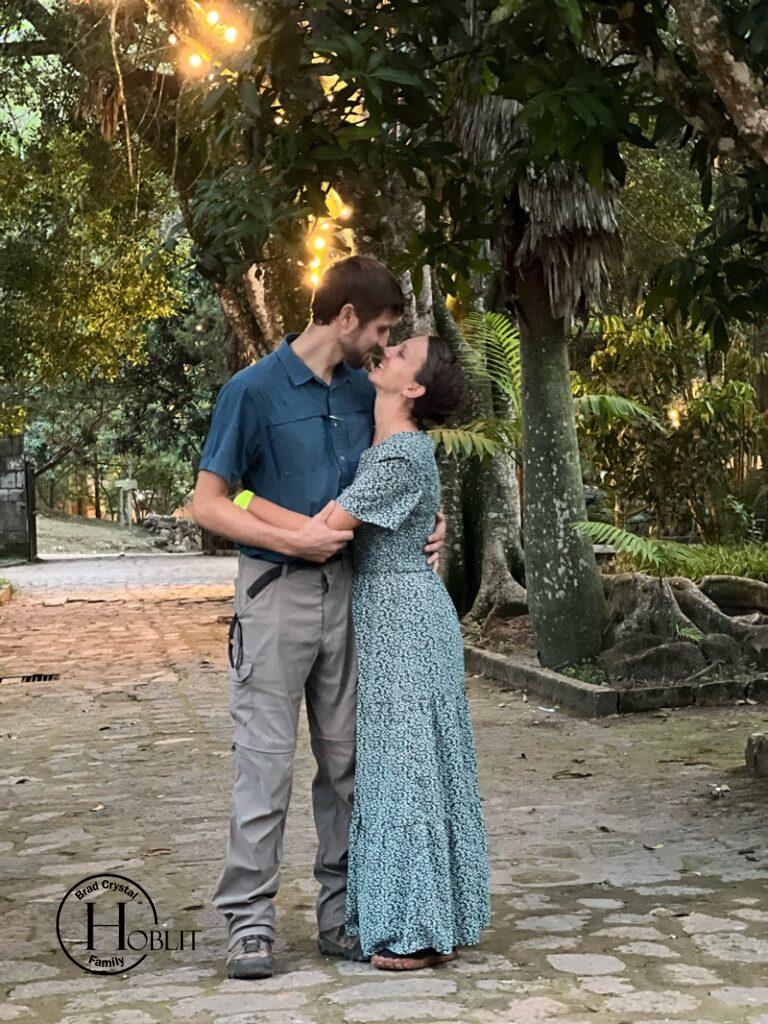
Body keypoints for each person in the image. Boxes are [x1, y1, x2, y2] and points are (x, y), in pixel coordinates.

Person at [191, 256, 446, 980]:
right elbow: (209, 502)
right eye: (382, 330)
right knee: (264, 765)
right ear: (346, 318)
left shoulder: (365, 393)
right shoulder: (252, 391)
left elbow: (395, 475)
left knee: (348, 764)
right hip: (276, 596)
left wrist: (433, 524)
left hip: (353, 595)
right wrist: (291, 540)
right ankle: (249, 924)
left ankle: (342, 916)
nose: (384, 344)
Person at [237, 334, 491, 970]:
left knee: (405, 769)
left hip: (402, 618)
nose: (389, 349)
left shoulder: (399, 455)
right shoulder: (383, 440)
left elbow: (324, 531)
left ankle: (416, 928)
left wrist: (239, 498)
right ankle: (425, 913)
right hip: (384, 609)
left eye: (403, 352)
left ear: (414, 388)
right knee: (402, 766)